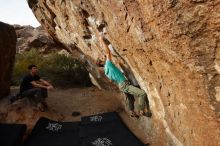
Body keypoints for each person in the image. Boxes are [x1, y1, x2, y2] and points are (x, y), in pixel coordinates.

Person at [96, 36, 152, 118]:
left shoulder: (106, 71)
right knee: (142, 93)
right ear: (102, 63)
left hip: (121, 85)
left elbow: (114, 78)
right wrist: (101, 41)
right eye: (102, 58)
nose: (104, 57)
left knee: (130, 98)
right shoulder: (108, 64)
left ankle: (131, 111)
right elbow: (108, 52)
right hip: (124, 84)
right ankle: (141, 110)